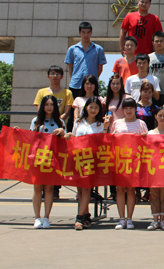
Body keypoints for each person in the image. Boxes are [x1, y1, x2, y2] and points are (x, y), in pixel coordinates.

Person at [64, 97, 110, 230]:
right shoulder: (78, 121)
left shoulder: (100, 124)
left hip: (91, 159)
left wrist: (105, 128)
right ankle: (86, 215)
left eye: (96, 107)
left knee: (86, 188)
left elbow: (104, 141)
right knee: (80, 190)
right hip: (78, 157)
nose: (93, 110)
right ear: (86, 108)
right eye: (91, 107)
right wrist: (68, 136)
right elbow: (73, 137)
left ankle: (79, 218)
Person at [25, 95, 66, 229]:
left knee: (49, 188)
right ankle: (37, 217)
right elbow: (30, 138)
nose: (49, 107)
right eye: (46, 104)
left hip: (52, 159)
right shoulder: (36, 121)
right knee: (37, 188)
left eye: (51, 104)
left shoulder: (60, 122)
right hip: (38, 158)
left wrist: (62, 132)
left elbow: (65, 141)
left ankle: (47, 217)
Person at [110, 97, 148, 230]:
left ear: (135, 109)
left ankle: (130, 219)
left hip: (134, 162)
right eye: (126, 108)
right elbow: (111, 141)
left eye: (131, 108)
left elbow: (146, 142)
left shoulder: (141, 124)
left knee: (131, 190)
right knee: (120, 190)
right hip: (120, 161)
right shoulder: (117, 123)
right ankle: (121, 219)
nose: (128, 111)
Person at [65, 21, 107, 97]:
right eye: (83, 32)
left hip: (92, 86)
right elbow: (70, 68)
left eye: (88, 32)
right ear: (79, 33)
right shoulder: (72, 49)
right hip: (76, 85)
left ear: (91, 33)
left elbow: (100, 69)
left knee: (92, 104)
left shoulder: (98, 49)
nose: (86, 35)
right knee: (75, 104)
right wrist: (75, 78)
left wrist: (92, 80)